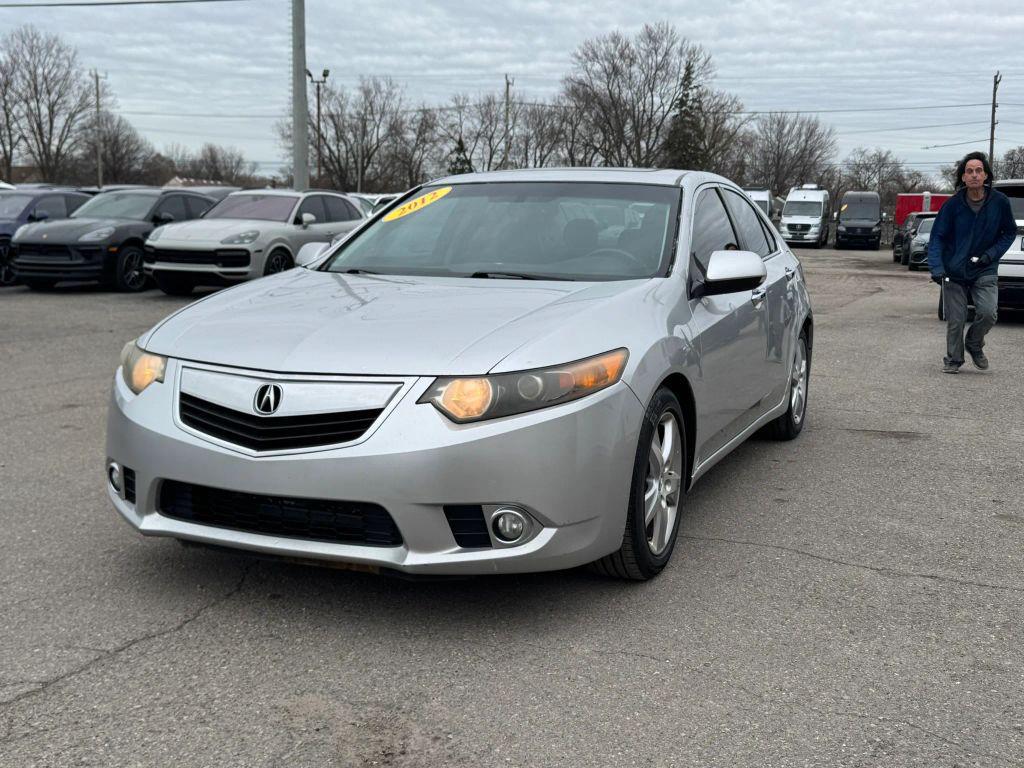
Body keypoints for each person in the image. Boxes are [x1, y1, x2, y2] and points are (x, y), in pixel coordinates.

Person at [927, 151, 1017, 373]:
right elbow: (937, 237)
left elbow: (1009, 232)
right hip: (954, 269)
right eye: (969, 171)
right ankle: (953, 360)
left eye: (979, 171)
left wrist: (990, 255)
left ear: (986, 175)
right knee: (956, 319)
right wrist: (937, 268)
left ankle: (974, 343)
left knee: (988, 313)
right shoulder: (952, 206)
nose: (974, 175)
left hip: (984, 267)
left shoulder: (1000, 202)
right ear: (963, 177)